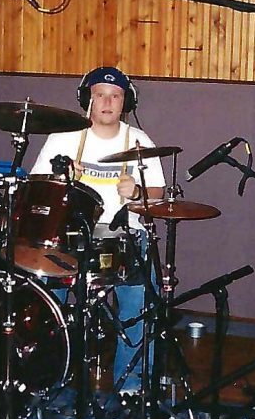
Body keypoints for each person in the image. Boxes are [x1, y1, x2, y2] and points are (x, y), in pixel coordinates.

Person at [29, 66, 165, 393]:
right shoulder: (62, 137)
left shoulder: (139, 141)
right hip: (67, 235)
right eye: (99, 94)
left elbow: (159, 195)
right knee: (43, 303)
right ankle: (45, 376)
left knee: (140, 303)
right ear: (85, 100)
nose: (107, 101)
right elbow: (34, 187)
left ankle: (130, 386)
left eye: (115, 95)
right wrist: (60, 180)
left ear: (125, 102)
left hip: (123, 236)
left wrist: (137, 192)